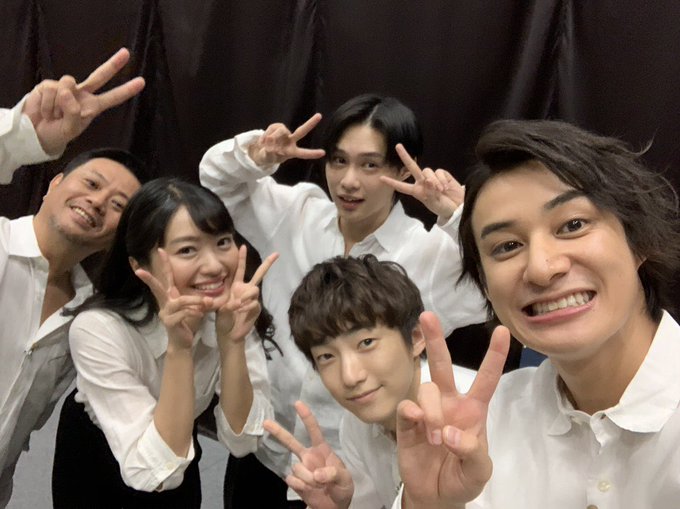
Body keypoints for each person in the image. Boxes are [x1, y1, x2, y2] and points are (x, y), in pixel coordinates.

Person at [200, 93, 487, 507]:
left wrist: (457, 218)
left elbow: (488, 292)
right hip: (268, 445)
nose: (349, 181)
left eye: (370, 165)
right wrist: (257, 154)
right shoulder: (299, 212)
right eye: (339, 161)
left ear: (400, 169)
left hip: (348, 474)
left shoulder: (427, 253)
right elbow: (216, 180)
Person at [392, 119, 680, 508]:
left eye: (573, 225)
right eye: (507, 246)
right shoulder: (485, 421)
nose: (542, 269)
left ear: (638, 239)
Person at [51, 178, 278, 508]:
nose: (214, 266)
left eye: (222, 242)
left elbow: (243, 441)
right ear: (139, 265)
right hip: (101, 454)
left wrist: (233, 343)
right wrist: (179, 349)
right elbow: (149, 473)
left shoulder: (231, 312)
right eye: (187, 250)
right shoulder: (99, 328)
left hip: (178, 443)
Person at [0, 48, 146, 507]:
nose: (99, 202)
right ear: (54, 184)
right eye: (92, 183)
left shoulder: (89, 317)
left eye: (119, 205)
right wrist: (22, 138)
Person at [264, 254, 477, 509]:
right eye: (326, 356)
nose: (350, 376)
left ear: (416, 337)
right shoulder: (357, 424)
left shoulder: (476, 415)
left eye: (366, 343)